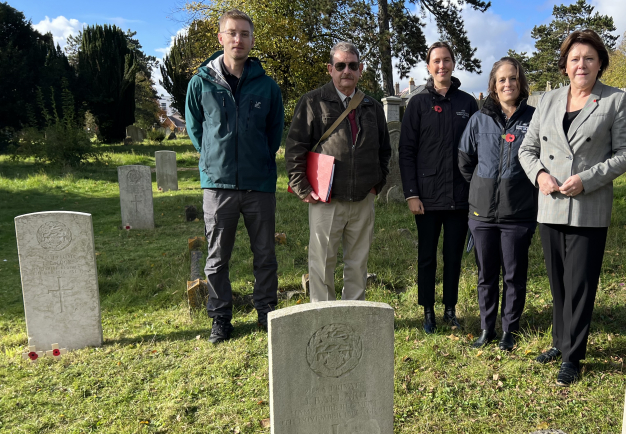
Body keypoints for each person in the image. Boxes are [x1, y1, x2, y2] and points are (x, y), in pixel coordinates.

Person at [518, 30, 626, 385]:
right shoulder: (548, 100)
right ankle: (560, 340)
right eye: (574, 59)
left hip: (588, 204)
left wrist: (588, 178)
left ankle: (574, 355)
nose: (581, 64)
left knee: (581, 282)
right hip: (551, 203)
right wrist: (539, 174)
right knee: (558, 281)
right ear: (564, 66)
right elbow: (526, 149)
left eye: (588, 58)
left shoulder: (615, 101)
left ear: (600, 63)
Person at [185, 9, 284, 344]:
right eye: (232, 33)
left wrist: (256, 159)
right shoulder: (201, 83)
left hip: (259, 184)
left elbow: (274, 134)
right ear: (221, 38)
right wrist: (217, 157)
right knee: (216, 257)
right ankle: (220, 317)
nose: (238, 39)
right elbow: (197, 131)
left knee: (265, 254)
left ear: (252, 40)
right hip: (218, 184)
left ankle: (266, 312)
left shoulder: (267, 87)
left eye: (244, 33)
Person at [285, 42, 391, 302]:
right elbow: (295, 147)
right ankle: (323, 314)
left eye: (352, 66)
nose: (347, 71)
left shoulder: (373, 107)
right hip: (326, 198)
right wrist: (302, 187)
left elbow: (385, 151)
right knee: (322, 263)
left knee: (358, 263)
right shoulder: (312, 102)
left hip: (363, 198)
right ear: (330, 69)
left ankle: (353, 313)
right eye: (341, 65)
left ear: (361, 69)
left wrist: (376, 184)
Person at [399, 41, 480, 334]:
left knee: (453, 256)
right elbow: (406, 151)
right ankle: (428, 311)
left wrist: (476, 193)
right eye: (436, 61)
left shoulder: (467, 103)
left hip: (460, 197)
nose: (442, 65)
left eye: (446, 60)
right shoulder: (418, 103)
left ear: (454, 64)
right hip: (426, 197)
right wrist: (411, 193)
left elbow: (477, 150)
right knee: (427, 256)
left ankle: (450, 309)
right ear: (428, 66)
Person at [458, 57, 537, 351]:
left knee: (514, 275)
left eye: (513, 78)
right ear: (493, 85)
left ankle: (509, 330)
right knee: (486, 274)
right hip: (482, 214)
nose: (508, 84)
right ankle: (486, 327)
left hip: (518, 212)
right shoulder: (478, 120)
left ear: (521, 82)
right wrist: (483, 185)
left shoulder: (533, 118)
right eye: (502, 79)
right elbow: (465, 159)